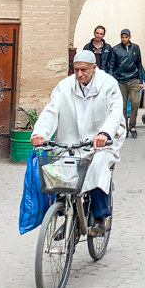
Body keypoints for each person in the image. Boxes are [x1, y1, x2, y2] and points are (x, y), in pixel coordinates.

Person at [30, 51, 125, 234]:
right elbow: (51, 111)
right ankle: (69, 218)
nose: (80, 74)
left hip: (101, 142)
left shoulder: (108, 84)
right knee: (62, 173)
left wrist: (104, 133)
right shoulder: (64, 86)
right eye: (76, 70)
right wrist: (40, 133)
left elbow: (115, 112)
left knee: (97, 167)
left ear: (94, 68)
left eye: (84, 70)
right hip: (71, 141)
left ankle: (100, 217)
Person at [107, 28, 143, 137]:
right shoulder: (116, 49)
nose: (124, 39)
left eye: (126, 37)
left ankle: (132, 125)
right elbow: (112, 66)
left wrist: (140, 80)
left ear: (129, 37)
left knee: (135, 102)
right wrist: (112, 81)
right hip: (120, 80)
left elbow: (139, 65)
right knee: (121, 105)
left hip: (133, 79)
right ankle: (124, 127)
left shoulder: (135, 48)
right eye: (122, 37)